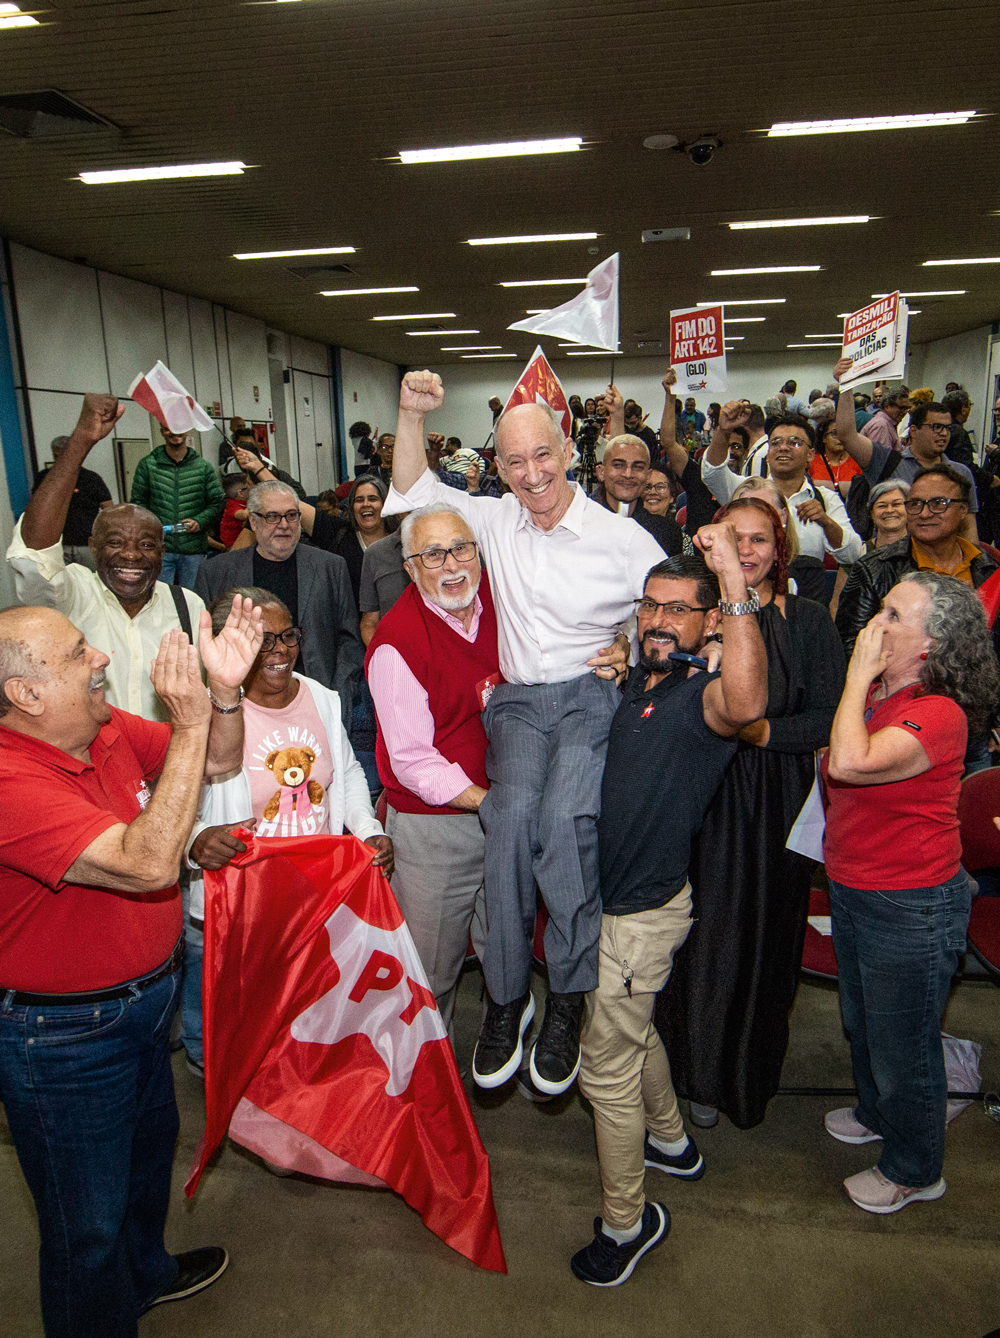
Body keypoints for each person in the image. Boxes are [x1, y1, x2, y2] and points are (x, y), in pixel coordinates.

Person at [383, 371, 662, 1097]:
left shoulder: (621, 538)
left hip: (585, 697)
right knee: (507, 818)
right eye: (514, 461)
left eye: (542, 455)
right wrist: (410, 415)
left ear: (569, 451)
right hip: (515, 703)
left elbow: (674, 608)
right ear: (498, 467)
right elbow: (412, 493)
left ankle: (567, 995)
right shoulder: (491, 520)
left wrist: (632, 648)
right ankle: (507, 998)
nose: (531, 474)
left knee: (565, 820)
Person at [0, 593, 262, 1338]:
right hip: (64, 1039)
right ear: (26, 694)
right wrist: (189, 722)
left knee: (146, 1167)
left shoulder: (103, 726)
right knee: (85, 1226)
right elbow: (147, 863)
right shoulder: (11, 783)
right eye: (78, 653)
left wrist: (222, 694)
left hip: (148, 1004)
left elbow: (219, 760)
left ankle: (145, 1275)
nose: (102, 657)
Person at [572, 542, 768, 1288]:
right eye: (650, 604)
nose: (658, 619)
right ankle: (673, 1142)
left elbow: (746, 705)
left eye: (679, 610)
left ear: (709, 621)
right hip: (605, 908)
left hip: (639, 916)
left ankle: (628, 1225)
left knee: (605, 1072)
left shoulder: (705, 695)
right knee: (634, 1029)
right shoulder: (639, 681)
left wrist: (733, 583)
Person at [657, 495, 847, 1129]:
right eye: (731, 536)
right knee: (695, 934)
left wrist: (762, 732)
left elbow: (829, 716)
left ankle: (737, 1078)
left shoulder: (809, 620)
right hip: (700, 791)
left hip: (776, 800)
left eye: (759, 539)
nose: (745, 550)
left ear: (779, 548)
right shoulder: (693, 610)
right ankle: (682, 1075)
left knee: (762, 937)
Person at [821, 573, 999, 1212]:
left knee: (905, 1049)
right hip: (857, 884)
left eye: (895, 614)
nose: (877, 622)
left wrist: (853, 677)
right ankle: (878, 1115)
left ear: (931, 644)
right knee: (864, 1022)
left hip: (910, 901)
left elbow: (848, 762)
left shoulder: (940, 712)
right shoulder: (880, 694)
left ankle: (915, 1169)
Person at [183, 589, 391, 1073]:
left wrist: (366, 829)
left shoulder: (322, 698)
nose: (279, 651)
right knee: (231, 1031)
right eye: (262, 640)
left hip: (311, 894)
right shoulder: (204, 711)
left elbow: (346, 772)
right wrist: (196, 839)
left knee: (300, 1018)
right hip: (241, 899)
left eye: (288, 636)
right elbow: (170, 796)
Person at [365, 505, 498, 1033]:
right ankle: (428, 1077)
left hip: (504, 816)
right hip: (435, 831)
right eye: (433, 554)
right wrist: (490, 803)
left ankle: (500, 1056)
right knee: (429, 974)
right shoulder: (396, 642)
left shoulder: (499, 603)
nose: (452, 565)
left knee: (505, 960)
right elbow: (413, 761)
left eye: (461, 548)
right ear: (410, 568)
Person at [8, 394, 206, 723]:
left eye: (146, 545)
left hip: (166, 752)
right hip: (89, 754)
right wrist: (81, 441)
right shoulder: (73, 595)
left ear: (162, 552)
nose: (131, 554)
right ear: (94, 548)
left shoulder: (188, 606)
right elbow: (34, 554)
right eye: (115, 542)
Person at [195, 479, 364, 723]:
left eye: (291, 515)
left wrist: (337, 695)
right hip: (244, 707)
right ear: (253, 521)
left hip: (316, 700)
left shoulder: (330, 567)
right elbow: (205, 644)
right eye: (272, 516)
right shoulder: (217, 573)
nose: (284, 525)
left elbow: (349, 641)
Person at [701, 402, 863, 601]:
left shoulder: (825, 499)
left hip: (806, 600)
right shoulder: (747, 491)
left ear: (810, 454)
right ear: (768, 453)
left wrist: (826, 522)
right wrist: (723, 431)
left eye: (795, 442)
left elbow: (853, 554)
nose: (783, 448)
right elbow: (712, 473)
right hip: (749, 598)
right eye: (776, 442)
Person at [835, 464, 997, 656]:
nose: (924, 513)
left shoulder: (987, 568)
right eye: (915, 504)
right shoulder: (875, 568)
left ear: (963, 510)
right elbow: (850, 647)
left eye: (939, 503)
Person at [831, 364, 979, 542]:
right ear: (914, 431)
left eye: (947, 428)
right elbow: (847, 435)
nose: (943, 433)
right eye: (936, 427)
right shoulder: (887, 461)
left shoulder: (960, 473)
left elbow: (968, 526)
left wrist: (973, 558)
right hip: (894, 556)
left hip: (942, 556)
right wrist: (846, 384)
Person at [129, 423, 225, 590]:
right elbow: (138, 502)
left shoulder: (203, 467)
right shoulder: (148, 465)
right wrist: (152, 527)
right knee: (160, 597)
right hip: (160, 547)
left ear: (187, 430)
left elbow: (217, 502)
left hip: (193, 548)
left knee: (193, 598)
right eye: (168, 428)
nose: (174, 432)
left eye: (179, 427)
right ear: (162, 432)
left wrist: (200, 521)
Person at [299, 475, 398, 614]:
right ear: (352, 506)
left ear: (385, 503)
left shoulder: (401, 539)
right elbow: (290, 503)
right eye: (359, 500)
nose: (366, 504)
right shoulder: (338, 533)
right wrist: (263, 470)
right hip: (349, 625)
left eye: (373, 499)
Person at [593, 431, 683, 556]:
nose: (628, 474)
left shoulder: (668, 532)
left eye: (638, 467)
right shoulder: (582, 524)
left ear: (647, 475)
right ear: (601, 472)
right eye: (618, 465)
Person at [33, 434, 113, 569]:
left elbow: (109, 510)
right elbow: (36, 509)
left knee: (92, 578)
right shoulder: (44, 478)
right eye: (56, 455)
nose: (60, 459)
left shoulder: (90, 478)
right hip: (56, 544)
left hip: (86, 544)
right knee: (59, 580)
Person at [359, 530, 410, 645]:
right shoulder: (375, 553)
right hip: (393, 650)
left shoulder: (448, 547)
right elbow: (369, 622)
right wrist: (382, 653)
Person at [810, 418, 863, 498]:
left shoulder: (857, 461)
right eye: (834, 434)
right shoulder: (811, 461)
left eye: (843, 434)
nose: (840, 438)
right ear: (824, 438)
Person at [861, 384, 910, 455]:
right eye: (901, 408)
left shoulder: (886, 423)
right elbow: (880, 458)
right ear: (887, 406)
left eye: (907, 408)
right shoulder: (881, 425)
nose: (904, 412)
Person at [941, 388, 976, 469]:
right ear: (963, 410)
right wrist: (990, 476)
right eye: (969, 405)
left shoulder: (939, 429)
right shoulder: (959, 433)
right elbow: (965, 466)